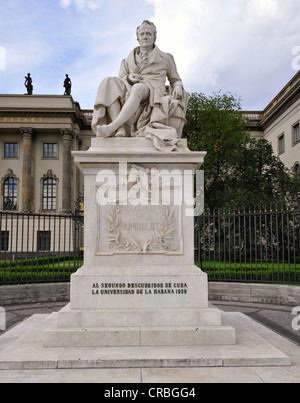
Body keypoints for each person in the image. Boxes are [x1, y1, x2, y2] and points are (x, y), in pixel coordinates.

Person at [92, 20, 188, 139]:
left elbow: (175, 79)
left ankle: (112, 126)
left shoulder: (166, 58)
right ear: (137, 38)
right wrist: (129, 78)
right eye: (142, 34)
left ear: (154, 37)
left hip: (154, 89)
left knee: (138, 88)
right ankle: (120, 128)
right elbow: (120, 79)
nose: (145, 37)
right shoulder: (127, 60)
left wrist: (178, 87)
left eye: (148, 34)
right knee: (108, 82)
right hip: (131, 87)